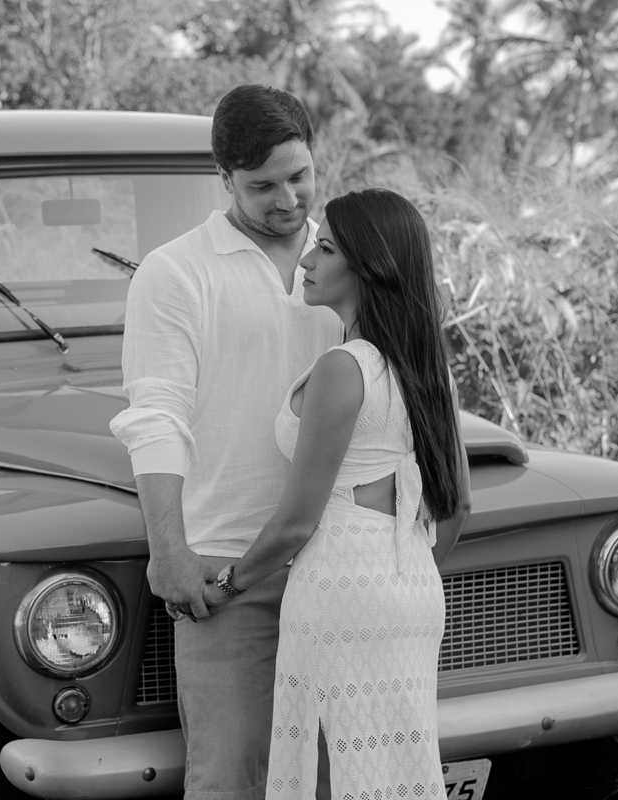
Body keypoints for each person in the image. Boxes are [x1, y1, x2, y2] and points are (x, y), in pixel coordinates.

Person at [109, 84, 343, 798]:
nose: (288, 200)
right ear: (224, 179)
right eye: (262, 186)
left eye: (300, 176)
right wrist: (169, 549)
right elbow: (156, 414)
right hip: (226, 568)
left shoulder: (349, 260)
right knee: (230, 776)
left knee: (339, 777)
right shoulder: (174, 272)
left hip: (341, 561)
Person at [200, 188, 472, 800]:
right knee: (394, 770)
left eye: (323, 250)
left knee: (329, 772)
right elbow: (458, 507)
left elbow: (298, 523)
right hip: (411, 592)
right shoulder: (425, 367)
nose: (305, 262)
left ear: (368, 267)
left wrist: (225, 586)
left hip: (339, 586)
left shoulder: (344, 368)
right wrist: (397, 579)